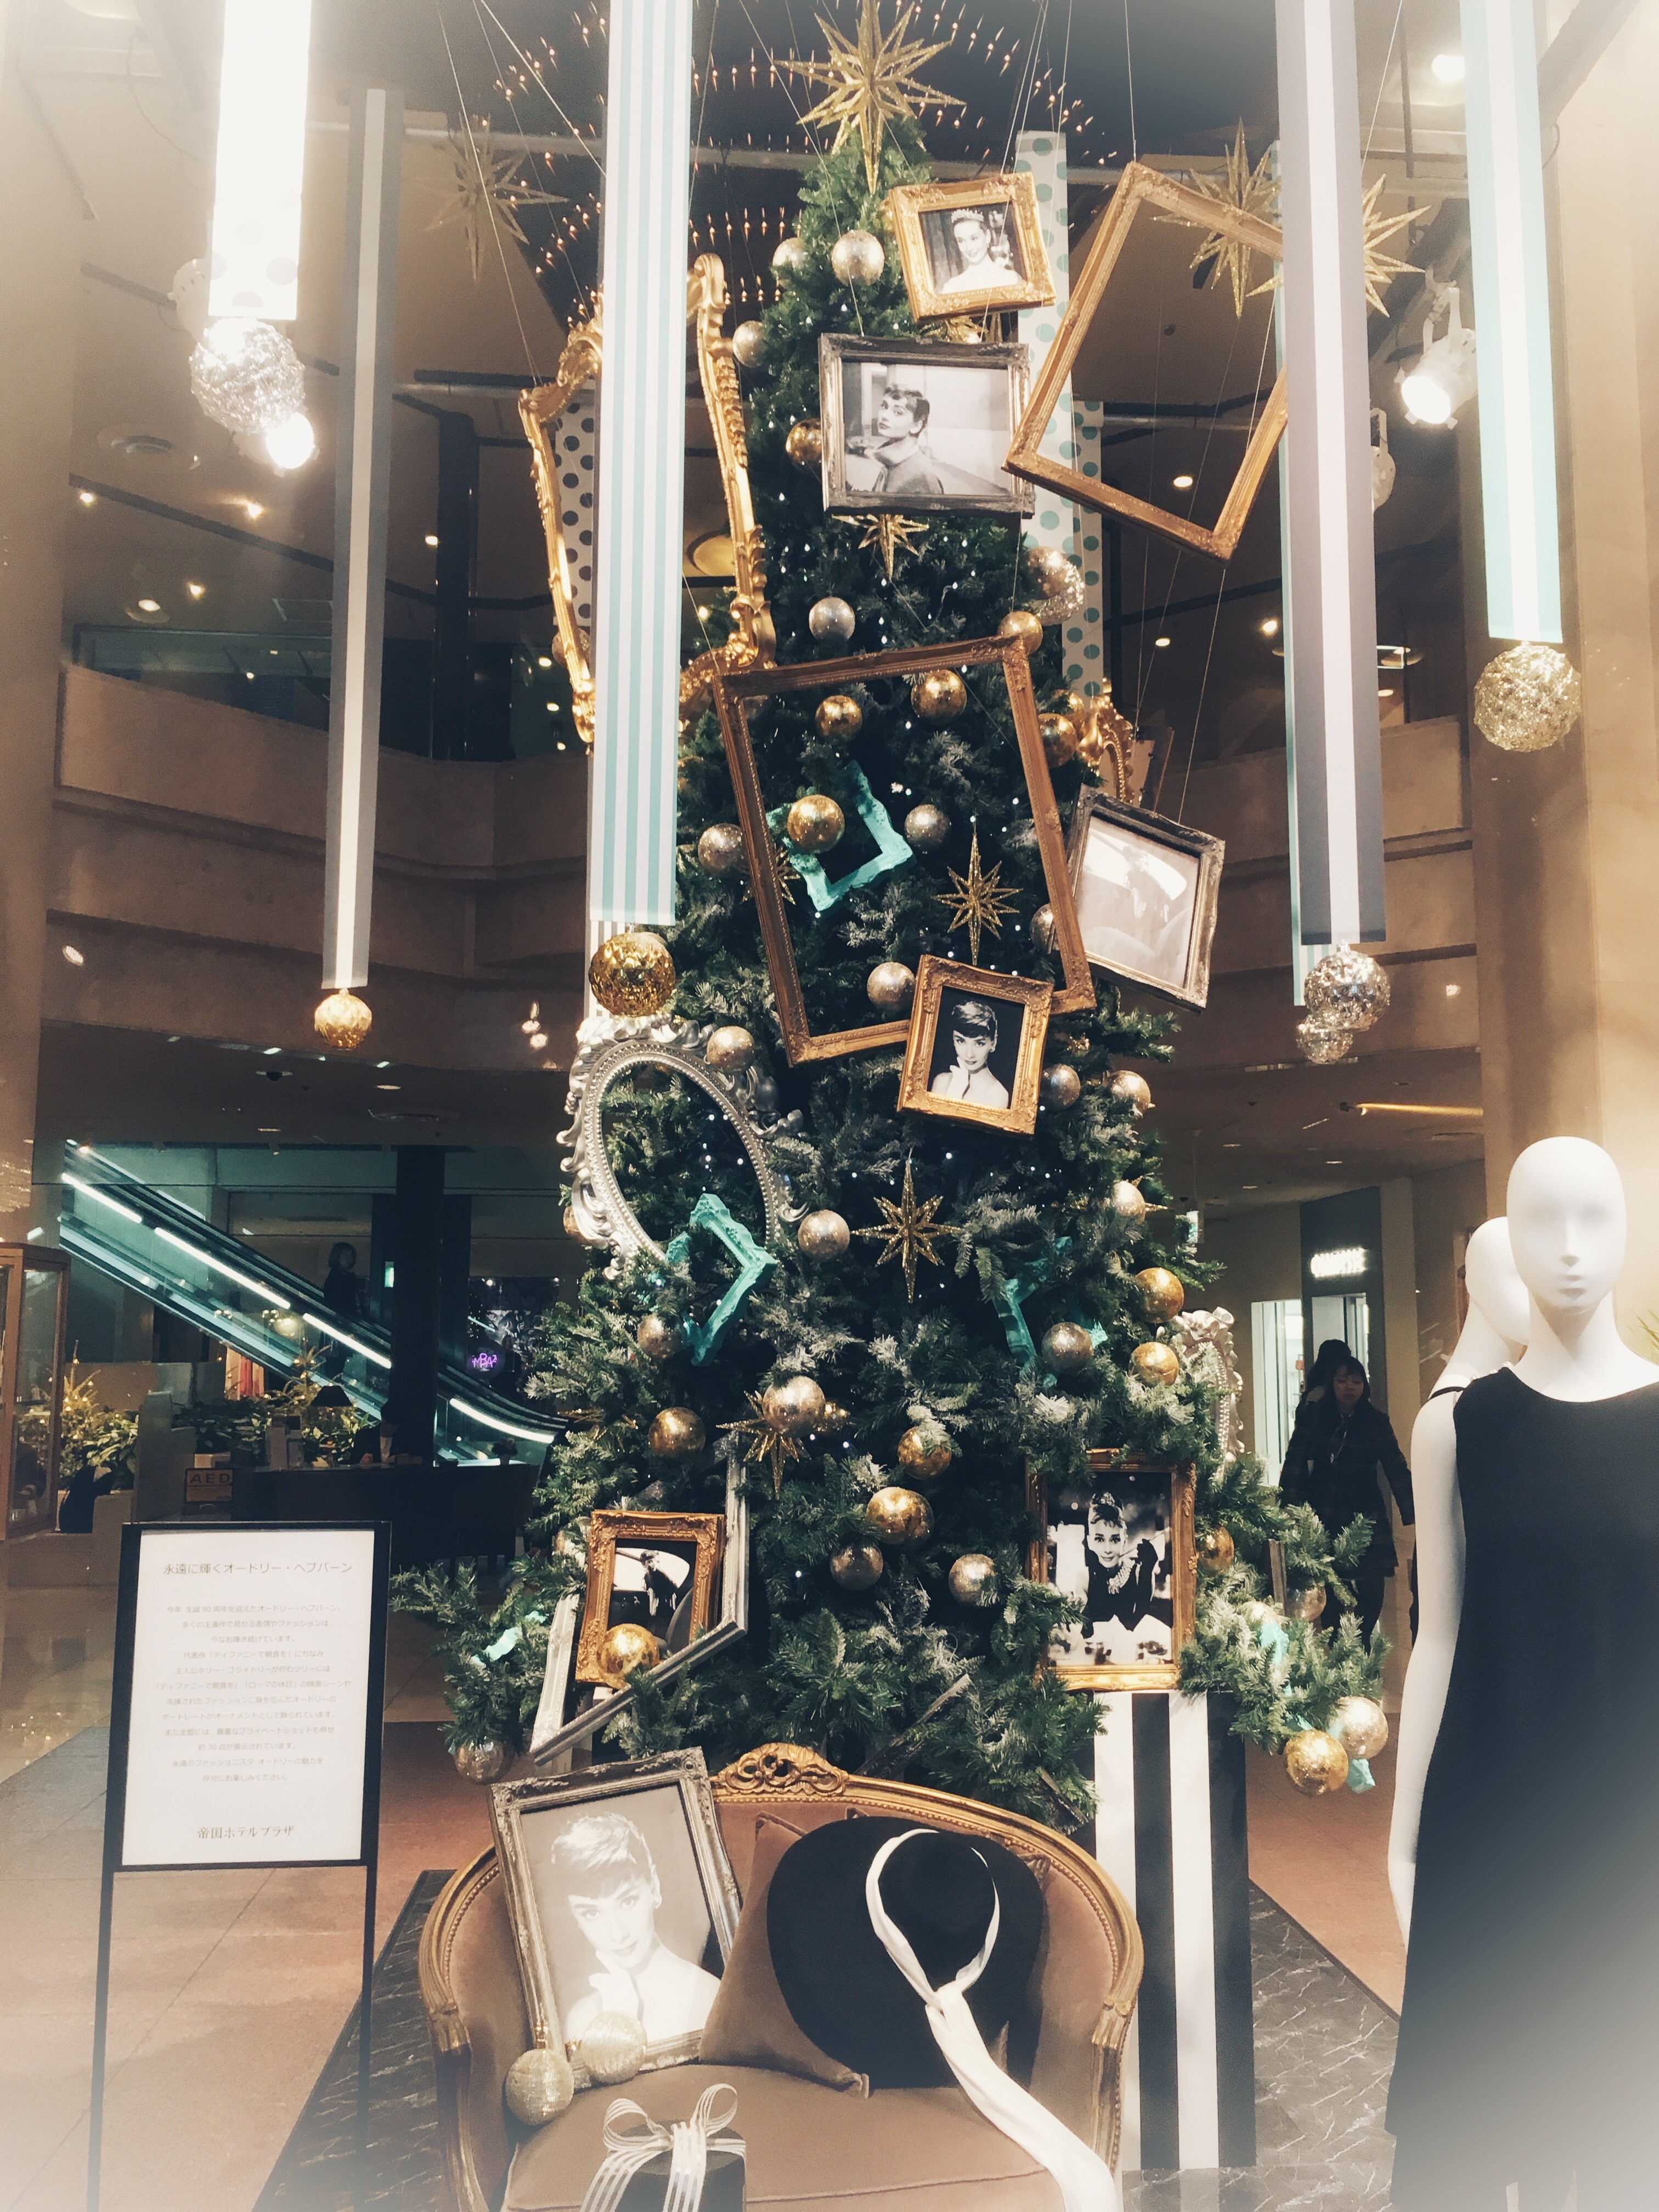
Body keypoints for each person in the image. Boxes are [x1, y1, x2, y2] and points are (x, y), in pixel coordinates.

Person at [1280, 1354, 1414, 1642]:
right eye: (1342, 1381)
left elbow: (1395, 1465)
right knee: (1330, 1587)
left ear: (1365, 1385)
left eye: (1356, 1381)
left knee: (1373, 1590)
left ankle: (1361, 1641)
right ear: (1332, 1384)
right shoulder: (1315, 1416)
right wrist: (1290, 1508)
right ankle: (1337, 1645)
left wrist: (1414, 1510)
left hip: (1367, 1511)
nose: (1349, 1387)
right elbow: (1295, 1460)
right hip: (1325, 1509)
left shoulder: (1376, 1421)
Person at [552, 1813, 718, 2043]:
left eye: (628, 1901)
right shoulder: (582, 2019)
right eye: (591, 1913)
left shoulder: (710, 1999)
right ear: (576, 1919)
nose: (618, 1934)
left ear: (654, 1888)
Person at [846, 380, 945, 499]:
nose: (884, 416)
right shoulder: (890, 460)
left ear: (916, 426)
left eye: (898, 412)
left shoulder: (922, 478)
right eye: (884, 407)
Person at [929, 999, 1009, 1109]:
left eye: (979, 1043)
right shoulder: (942, 1081)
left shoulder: (998, 1094)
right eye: (961, 1041)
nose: (969, 1054)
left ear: (993, 1043)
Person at [936, 204, 1023, 296]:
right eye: (961, 241)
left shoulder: (1011, 280)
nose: (969, 248)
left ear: (987, 236)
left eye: (974, 239)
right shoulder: (952, 288)